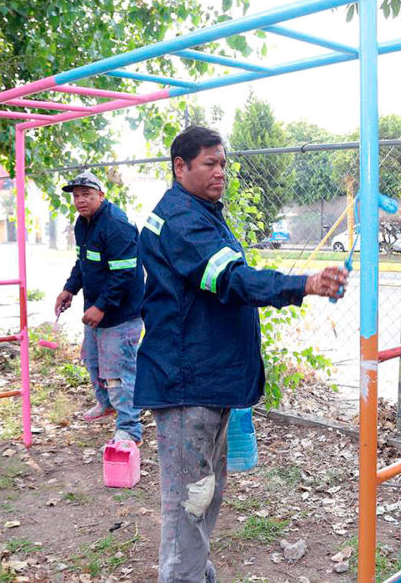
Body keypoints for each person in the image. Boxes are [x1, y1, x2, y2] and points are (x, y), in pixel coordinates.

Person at [136, 126, 348, 582]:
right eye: (209, 163)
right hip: (185, 383)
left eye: (223, 163)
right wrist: (303, 284)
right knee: (189, 501)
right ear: (181, 166)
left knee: (204, 494)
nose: (220, 172)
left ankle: (195, 572)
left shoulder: (200, 212)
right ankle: (184, 576)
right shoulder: (181, 220)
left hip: (203, 380)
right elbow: (232, 280)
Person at [54, 171, 144, 444]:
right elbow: (84, 262)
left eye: (87, 195)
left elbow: (124, 274)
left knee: (118, 373)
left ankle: (130, 428)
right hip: (97, 312)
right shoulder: (83, 223)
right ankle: (106, 405)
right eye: (76, 196)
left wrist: (102, 306)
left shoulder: (116, 225)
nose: (80, 200)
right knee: (93, 362)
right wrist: (70, 288)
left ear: (101, 195)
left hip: (121, 315)